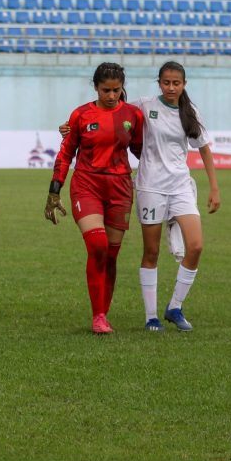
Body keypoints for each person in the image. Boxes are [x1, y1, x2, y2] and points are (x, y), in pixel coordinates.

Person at [43, 62, 144, 335]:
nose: (111, 96)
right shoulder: (81, 115)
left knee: (111, 255)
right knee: (98, 245)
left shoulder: (133, 115)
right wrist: (55, 190)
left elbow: (142, 150)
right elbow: (66, 154)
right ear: (95, 87)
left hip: (121, 188)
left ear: (122, 87)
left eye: (116, 90)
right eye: (105, 90)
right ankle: (97, 315)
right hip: (87, 185)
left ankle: (103, 314)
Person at [132, 62, 220, 332]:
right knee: (152, 251)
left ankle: (175, 307)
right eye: (166, 82)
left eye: (176, 83)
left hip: (181, 186)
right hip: (150, 187)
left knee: (195, 246)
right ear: (159, 82)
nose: (171, 88)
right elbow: (112, 112)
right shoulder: (144, 106)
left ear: (184, 84)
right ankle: (151, 317)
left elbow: (204, 149)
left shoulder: (190, 112)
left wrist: (214, 188)